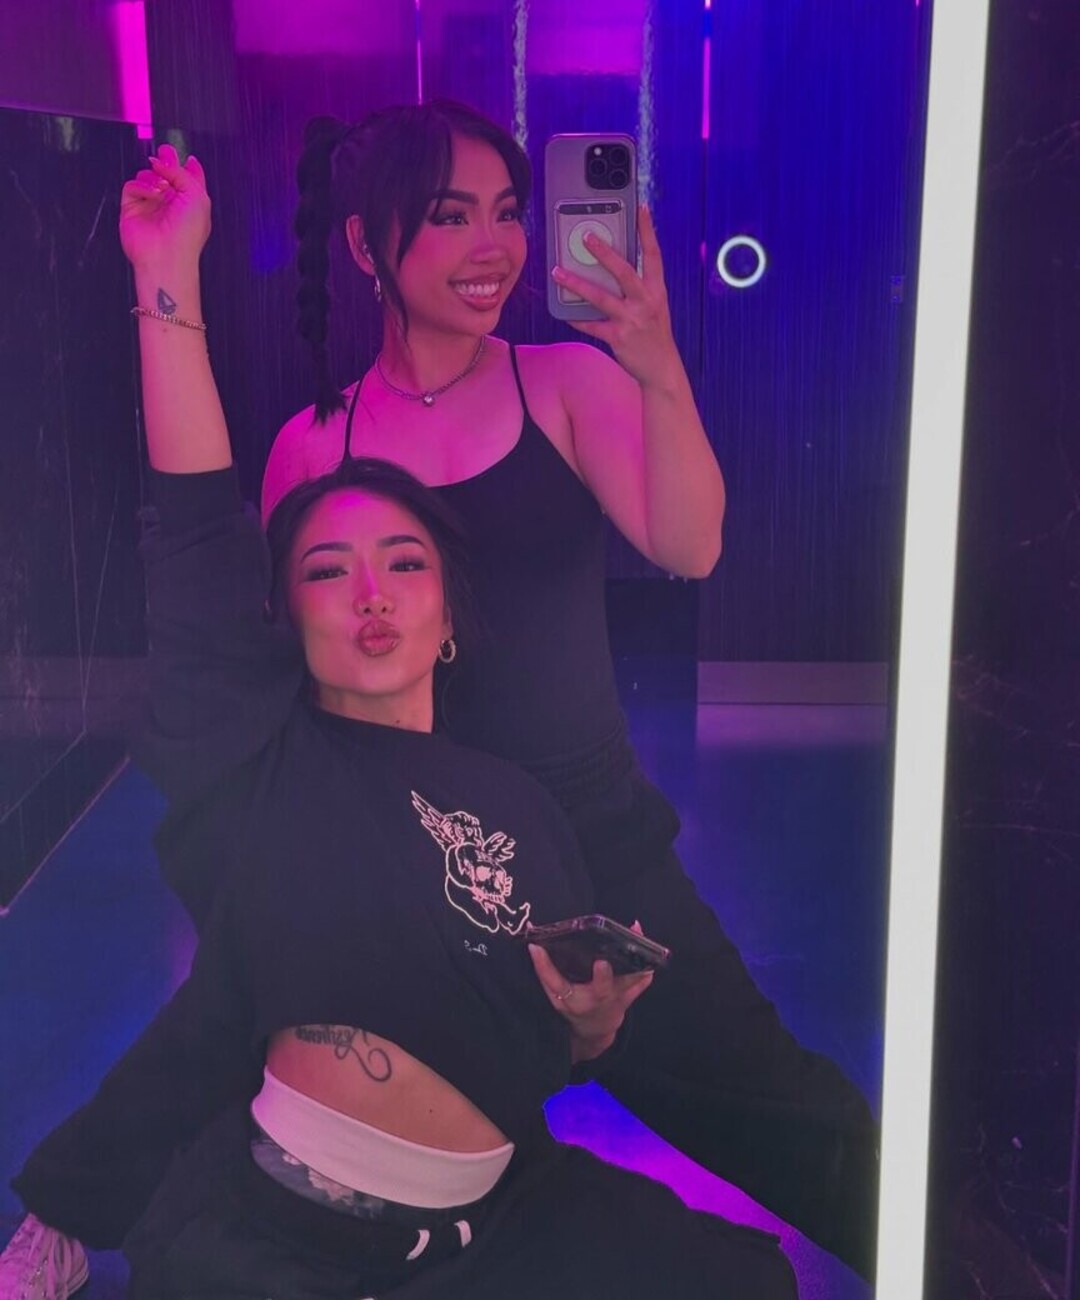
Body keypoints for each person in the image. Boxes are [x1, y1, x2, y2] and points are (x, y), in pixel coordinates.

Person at [3, 102, 877, 1296]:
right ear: (368, 245)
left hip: (590, 849)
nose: (495, 246)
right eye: (452, 215)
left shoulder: (561, 382)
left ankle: (960, 1258)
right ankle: (81, 1215)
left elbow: (692, 542)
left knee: (775, 1109)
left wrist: (657, 359)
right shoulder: (316, 445)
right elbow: (255, 637)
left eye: (508, 214)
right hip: (401, 851)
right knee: (245, 1034)